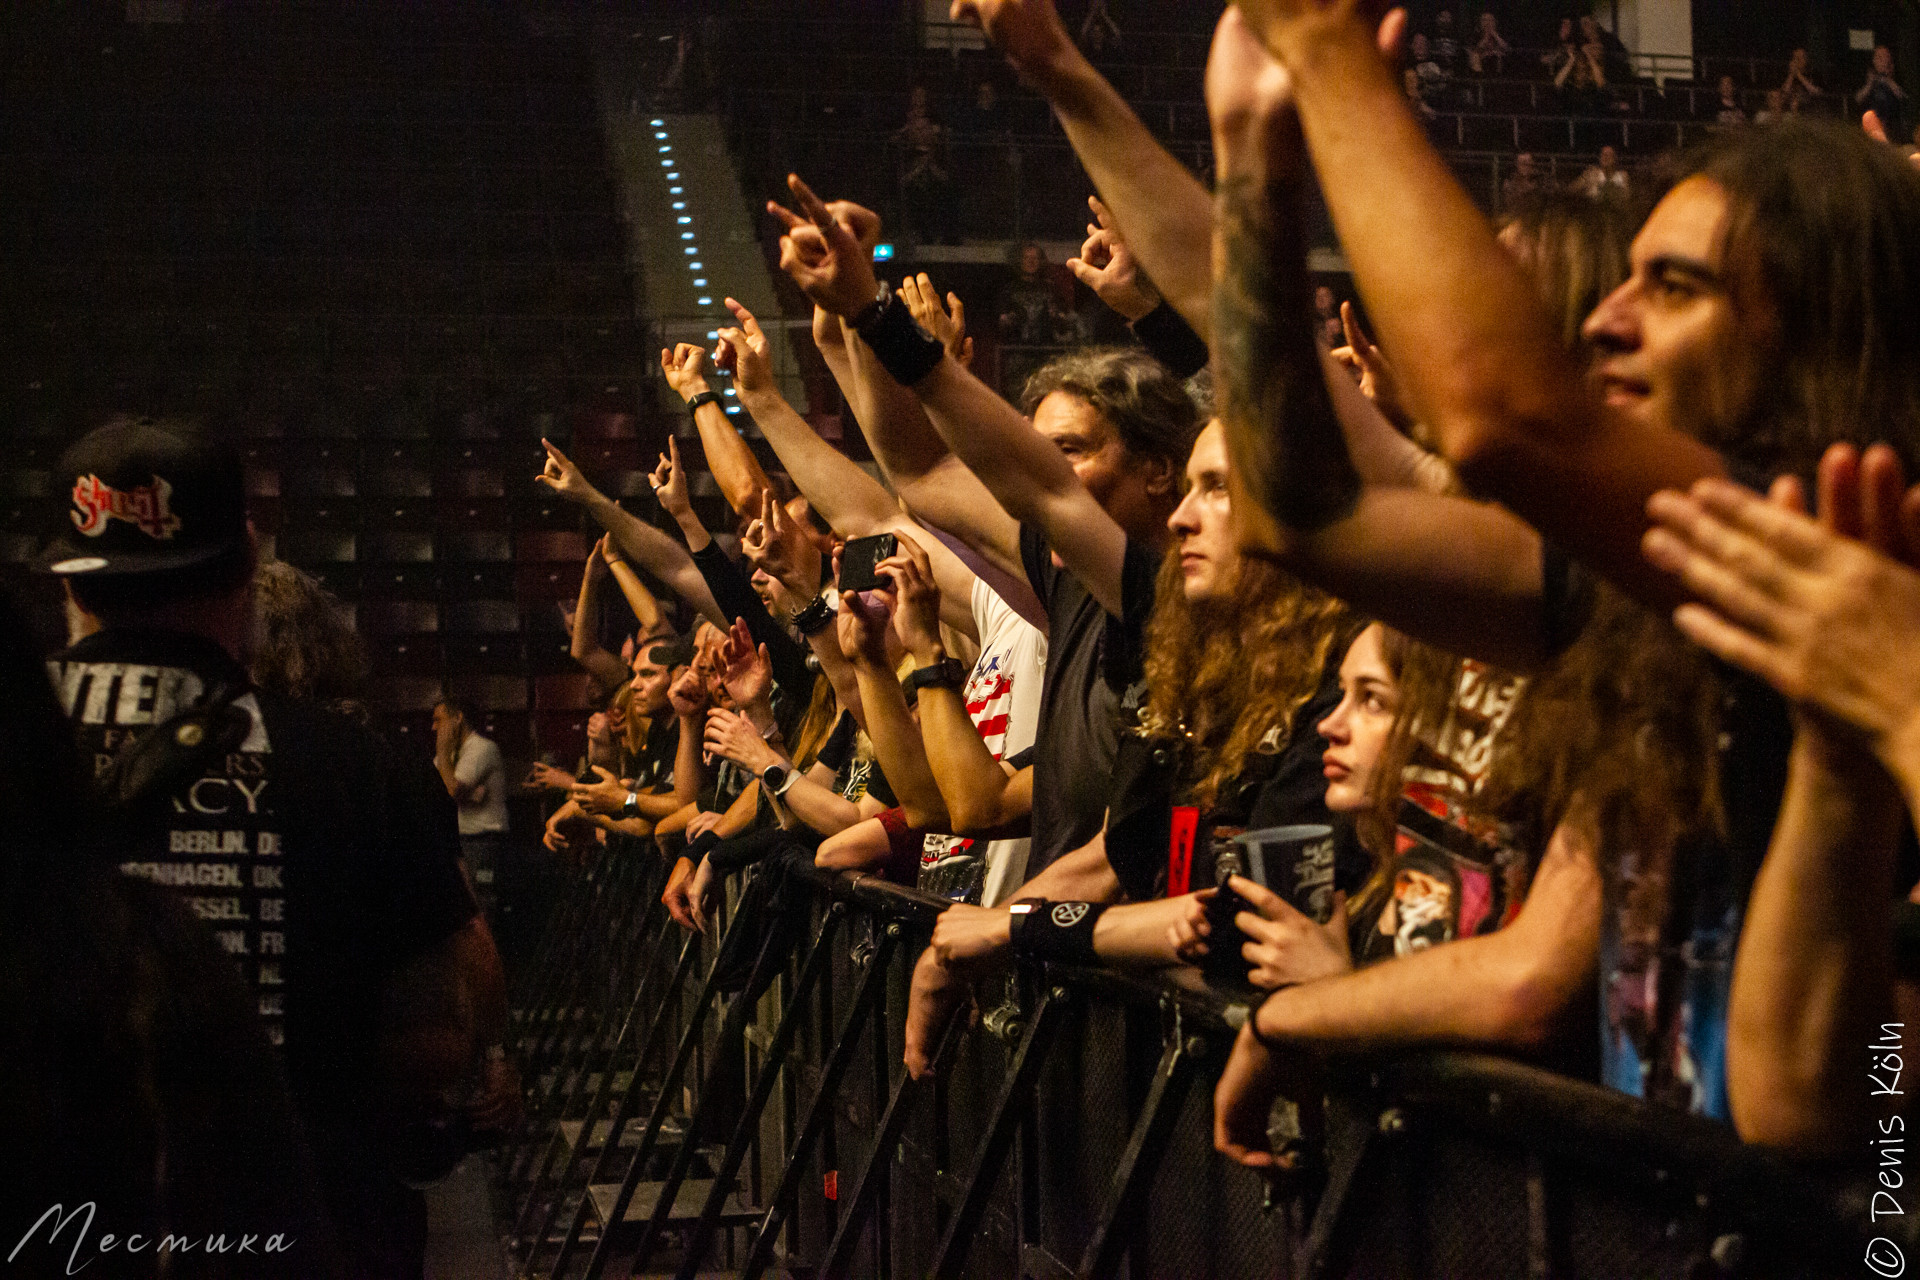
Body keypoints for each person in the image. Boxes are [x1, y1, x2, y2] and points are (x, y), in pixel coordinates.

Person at [1205, 0, 1920, 1147]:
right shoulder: (1681, 592)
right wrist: (1254, 154)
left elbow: (1498, 419)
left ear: (1818, 330)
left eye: (1675, 287)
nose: (1606, 323)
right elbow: (1298, 515)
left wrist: (1332, 56)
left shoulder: (1835, 550)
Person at [38, 417, 499, 1279]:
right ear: (248, 560)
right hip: (299, 1230)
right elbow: (435, 1037)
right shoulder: (358, 766)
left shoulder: (17, 749)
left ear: (68, 583)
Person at [433, 694, 508, 919]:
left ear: (458, 718)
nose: (434, 727)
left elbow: (450, 791)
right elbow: (433, 791)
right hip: (461, 839)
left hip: (481, 841)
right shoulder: (453, 754)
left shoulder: (482, 748)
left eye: (439, 720)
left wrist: (442, 750)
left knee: (481, 903)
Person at [1858, 45, 1909, 144]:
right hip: (1871, 123)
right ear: (1873, 60)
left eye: (1885, 56)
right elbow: (1858, 99)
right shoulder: (1868, 75)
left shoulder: (1896, 74)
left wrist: (1888, 80)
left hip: (1892, 126)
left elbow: (1903, 97)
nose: (1882, 60)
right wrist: (1869, 84)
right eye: (1878, 57)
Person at [1468, 10, 1509, 77]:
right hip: (1482, 57)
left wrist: (1495, 35)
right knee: (1475, 56)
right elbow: (1477, 48)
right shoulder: (1476, 35)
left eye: (1490, 20)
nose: (1487, 23)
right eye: (1484, 20)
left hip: (1497, 57)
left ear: (1495, 22)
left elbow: (1505, 47)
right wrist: (1486, 37)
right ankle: (1479, 76)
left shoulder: (1500, 33)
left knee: (1498, 56)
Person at [1780, 47, 1821, 113]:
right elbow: (1784, 92)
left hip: (1809, 108)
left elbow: (1815, 92)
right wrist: (1791, 75)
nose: (1796, 62)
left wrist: (1798, 75)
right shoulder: (1787, 73)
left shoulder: (1812, 72)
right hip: (1788, 107)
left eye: (1798, 59)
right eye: (1794, 58)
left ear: (1805, 60)